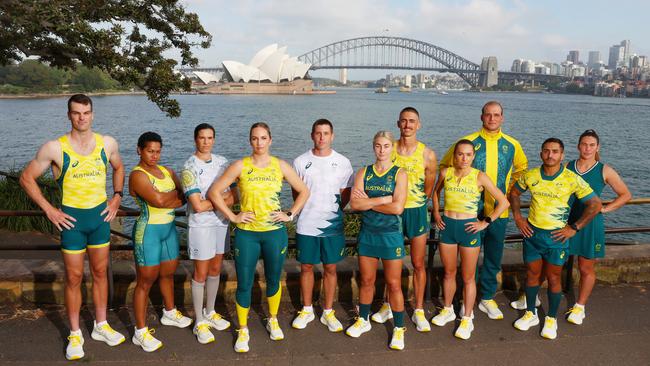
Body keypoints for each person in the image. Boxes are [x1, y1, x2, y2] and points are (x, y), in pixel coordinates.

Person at [20, 94, 126, 360]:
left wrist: (116, 196)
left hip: (99, 220)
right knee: (75, 278)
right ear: (69, 115)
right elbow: (26, 178)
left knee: (101, 272)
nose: (82, 117)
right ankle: (75, 333)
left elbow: (119, 166)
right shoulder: (55, 148)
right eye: (77, 113)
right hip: (72, 223)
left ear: (93, 114)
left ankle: (101, 325)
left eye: (86, 112)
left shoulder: (107, 143)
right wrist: (49, 209)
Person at [208, 122, 309, 353]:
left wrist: (290, 214)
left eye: (263, 138)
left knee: (273, 279)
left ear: (270, 140)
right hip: (247, 234)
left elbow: (304, 191)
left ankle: (272, 319)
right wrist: (233, 216)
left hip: (274, 233)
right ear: (250, 140)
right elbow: (214, 192)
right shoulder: (240, 166)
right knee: (245, 283)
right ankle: (243, 329)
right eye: (255, 138)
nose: (259, 143)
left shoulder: (280, 165)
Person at [439, 101, 527, 319]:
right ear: (481, 117)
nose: (492, 119)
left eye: (496, 115)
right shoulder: (468, 142)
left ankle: (486, 298)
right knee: (466, 263)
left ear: (502, 118)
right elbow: (445, 166)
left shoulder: (512, 144)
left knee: (493, 257)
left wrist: (507, 192)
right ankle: (461, 301)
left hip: (498, 213)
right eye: (488, 115)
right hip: (470, 213)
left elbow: (522, 170)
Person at [509, 138, 602, 340]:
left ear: (562, 155)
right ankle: (530, 314)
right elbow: (514, 193)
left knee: (553, 279)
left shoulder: (571, 178)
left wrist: (575, 227)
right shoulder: (531, 175)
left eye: (555, 151)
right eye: (546, 151)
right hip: (532, 235)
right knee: (532, 276)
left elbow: (595, 204)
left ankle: (551, 318)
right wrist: (518, 217)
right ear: (541, 153)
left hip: (556, 237)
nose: (550, 155)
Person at [431, 140, 509, 340]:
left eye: (468, 154)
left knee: (468, 277)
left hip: (469, 229)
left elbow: (503, 201)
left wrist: (485, 222)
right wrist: (438, 214)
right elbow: (436, 193)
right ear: (454, 155)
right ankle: (448, 309)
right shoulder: (445, 173)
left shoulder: (479, 176)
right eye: (460, 154)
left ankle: (467, 317)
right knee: (449, 272)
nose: (464, 158)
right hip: (448, 227)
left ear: (473, 156)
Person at [371, 107, 437, 333]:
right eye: (404, 121)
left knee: (418, 263)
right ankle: (388, 305)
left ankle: (418, 310)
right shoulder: (390, 149)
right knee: (392, 263)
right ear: (398, 124)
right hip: (393, 213)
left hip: (416, 211)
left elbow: (429, 188)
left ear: (419, 125)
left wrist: (414, 201)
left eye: (412, 121)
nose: (408, 125)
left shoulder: (427, 154)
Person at [129, 132, 192, 352]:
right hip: (148, 233)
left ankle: (169, 312)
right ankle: (140, 331)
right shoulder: (137, 175)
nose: (154, 155)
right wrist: (172, 197)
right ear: (139, 150)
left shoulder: (167, 171)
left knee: (168, 274)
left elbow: (184, 195)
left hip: (169, 231)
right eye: (149, 151)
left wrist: (171, 197)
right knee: (145, 281)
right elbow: (158, 200)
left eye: (157, 151)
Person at [345, 131, 408, 351]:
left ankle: (399, 329)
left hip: (390, 235)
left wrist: (369, 202)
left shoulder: (400, 174)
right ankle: (363, 320)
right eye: (378, 146)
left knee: (393, 284)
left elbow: (398, 207)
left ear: (393, 147)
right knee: (367, 281)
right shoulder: (364, 172)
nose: (382, 150)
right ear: (374, 147)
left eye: (386, 146)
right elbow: (355, 204)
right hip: (368, 234)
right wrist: (383, 199)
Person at [291, 119, 353, 332]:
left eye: (326, 133)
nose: (322, 137)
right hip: (306, 224)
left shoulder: (343, 162)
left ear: (332, 136)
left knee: (330, 267)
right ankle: (307, 309)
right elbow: (296, 194)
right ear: (312, 135)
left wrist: (332, 212)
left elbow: (346, 195)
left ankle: (328, 311)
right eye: (318, 133)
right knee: (306, 267)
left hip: (332, 225)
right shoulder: (300, 161)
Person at [565, 130, 631, 325]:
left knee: (585, 267)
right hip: (567, 221)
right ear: (578, 146)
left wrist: (605, 209)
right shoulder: (568, 166)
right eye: (584, 144)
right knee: (553, 260)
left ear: (597, 147)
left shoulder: (604, 170)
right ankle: (532, 297)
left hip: (590, 224)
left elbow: (625, 195)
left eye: (591, 145)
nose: (587, 148)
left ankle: (579, 307)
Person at [181, 123, 234, 344]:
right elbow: (198, 206)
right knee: (200, 273)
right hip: (201, 225)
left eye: (209, 137)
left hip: (220, 223)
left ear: (214, 139)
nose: (206, 141)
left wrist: (214, 201)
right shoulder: (189, 167)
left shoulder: (223, 163)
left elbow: (234, 197)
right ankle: (199, 321)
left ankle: (210, 312)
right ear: (195, 139)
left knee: (215, 269)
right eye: (202, 138)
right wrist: (221, 201)